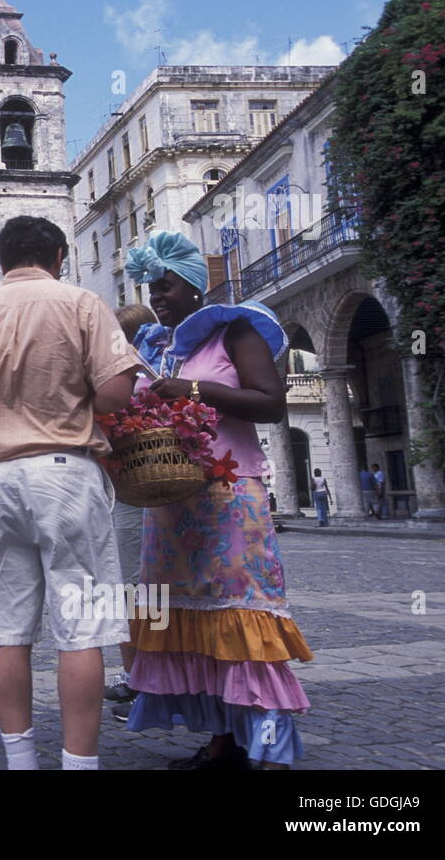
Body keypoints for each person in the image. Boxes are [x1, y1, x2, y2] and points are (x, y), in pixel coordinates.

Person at [0, 217, 137, 771]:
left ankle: (20, 759)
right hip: (65, 473)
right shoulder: (81, 303)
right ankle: (79, 763)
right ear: (57, 255)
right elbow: (118, 394)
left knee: (5, 630)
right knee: (82, 630)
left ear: (1, 260)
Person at [123, 230, 312, 769]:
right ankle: (223, 741)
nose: (157, 296)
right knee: (195, 619)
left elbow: (270, 403)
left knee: (243, 615)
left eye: (166, 286)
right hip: (172, 501)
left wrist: (196, 392)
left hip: (230, 499)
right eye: (151, 288)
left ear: (194, 283)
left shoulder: (236, 331)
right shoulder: (159, 348)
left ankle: (271, 749)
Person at [104, 303, 157, 719]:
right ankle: (142, 677)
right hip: (135, 493)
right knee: (138, 588)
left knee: (138, 588)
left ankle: (145, 679)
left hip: (138, 493)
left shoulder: (142, 375)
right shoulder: (150, 369)